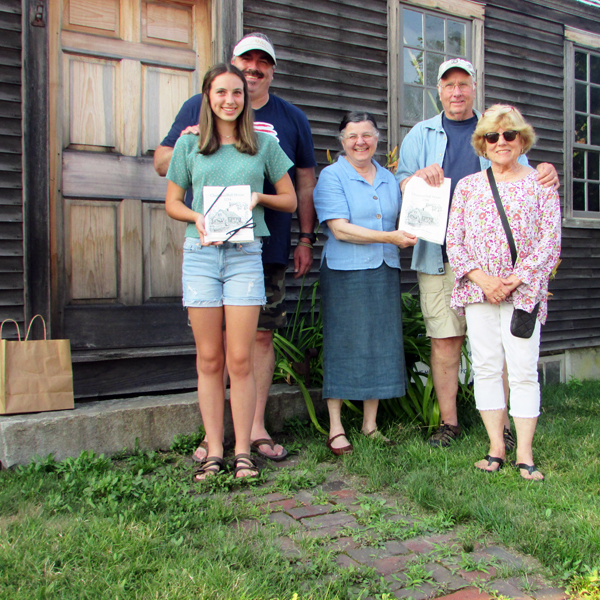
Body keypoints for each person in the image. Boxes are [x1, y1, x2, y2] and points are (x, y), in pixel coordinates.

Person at [154, 33, 317, 462]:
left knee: (242, 356)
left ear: (250, 95)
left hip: (248, 253)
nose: (230, 99)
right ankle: (213, 448)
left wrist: (259, 198)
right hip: (202, 253)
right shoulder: (190, 142)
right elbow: (172, 200)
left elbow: (292, 191)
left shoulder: (266, 142)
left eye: (237, 93)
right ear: (207, 97)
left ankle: (243, 448)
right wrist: (196, 217)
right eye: (221, 92)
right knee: (209, 358)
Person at [396, 58, 559, 449]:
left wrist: (547, 169)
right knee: (446, 339)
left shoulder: (494, 127)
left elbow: (525, 175)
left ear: (473, 87)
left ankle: (503, 427)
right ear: (439, 90)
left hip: (503, 267)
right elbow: (402, 182)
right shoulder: (420, 134)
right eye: (449, 84)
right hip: (441, 254)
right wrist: (416, 179)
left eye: (463, 84)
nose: (456, 91)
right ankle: (449, 422)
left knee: (500, 347)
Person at [446, 104, 561, 479]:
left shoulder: (540, 184)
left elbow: (550, 243)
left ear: (521, 139)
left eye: (509, 135)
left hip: (523, 294)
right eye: (492, 137)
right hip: (479, 294)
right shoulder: (468, 186)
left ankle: (524, 453)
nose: (501, 142)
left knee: (524, 370)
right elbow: (454, 242)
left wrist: (512, 281)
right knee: (486, 368)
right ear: (482, 143)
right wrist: (483, 280)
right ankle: (496, 446)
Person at [313, 112, 417, 455]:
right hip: (345, 271)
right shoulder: (332, 176)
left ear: (377, 139)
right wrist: (389, 236)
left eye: (367, 135)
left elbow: (409, 215)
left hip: (384, 268)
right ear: (342, 142)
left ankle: (370, 424)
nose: (361, 141)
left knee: (379, 343)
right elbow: (339, 228)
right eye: (353, 136)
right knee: (342, 342)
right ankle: (336, 426)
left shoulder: (388, 178)